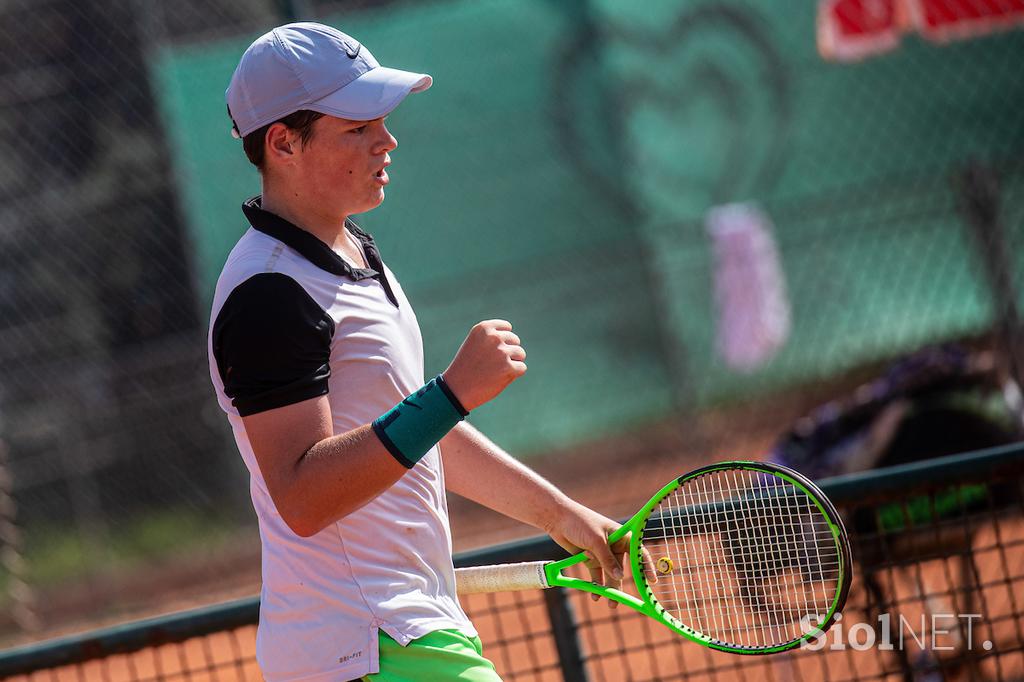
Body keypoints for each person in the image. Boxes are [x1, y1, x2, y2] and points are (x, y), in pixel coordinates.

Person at [210, 22, 640, 682]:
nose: (387, 139)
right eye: (357, 127)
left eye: (381, 120)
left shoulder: (350, 254)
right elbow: (303, 497)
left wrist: (558, 511)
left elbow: (412, 431)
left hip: (400, 639)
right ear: (283, 143)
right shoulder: (270, 293)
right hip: (366, 648)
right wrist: (451, 393)